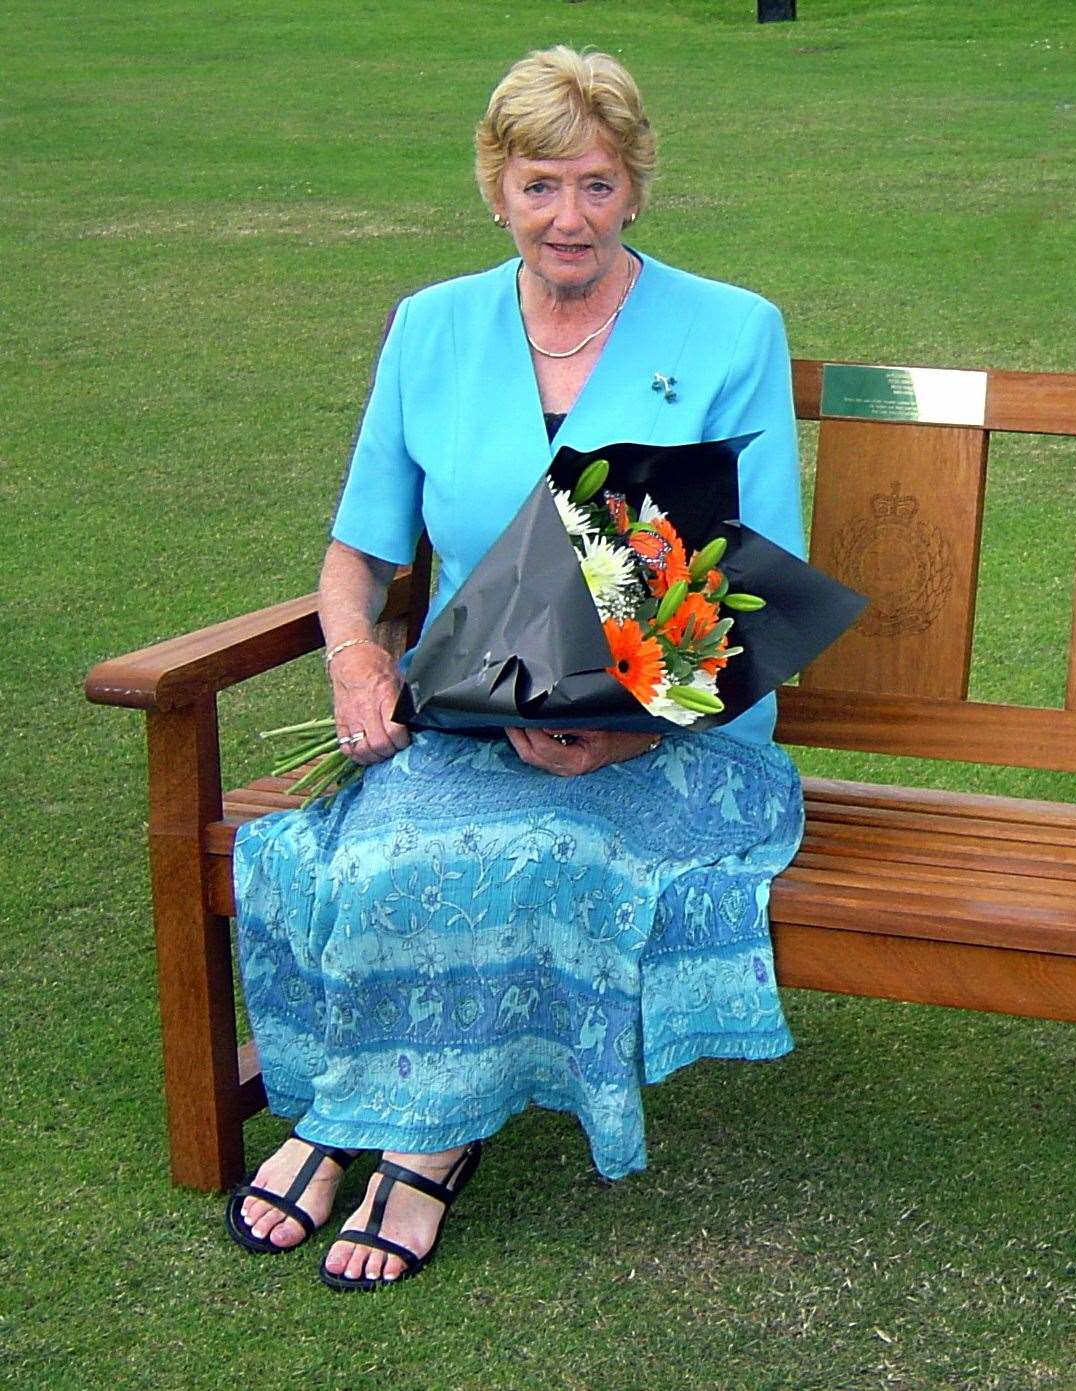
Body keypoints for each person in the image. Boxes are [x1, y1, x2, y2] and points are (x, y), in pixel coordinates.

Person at [226, 46, 806, 1291]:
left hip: (674, 736)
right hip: (471, 720)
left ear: (636, 188)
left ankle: (408, 1140)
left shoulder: (732, 328)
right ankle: (346, 1112)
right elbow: (353, 556)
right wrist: (351, 662)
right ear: (497, 187)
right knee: (380, 843)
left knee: (532, 847)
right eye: (542, 185)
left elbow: (758, 581)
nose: (570, 218)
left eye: (597, 185)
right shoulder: (431, 327)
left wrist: (628, 732)